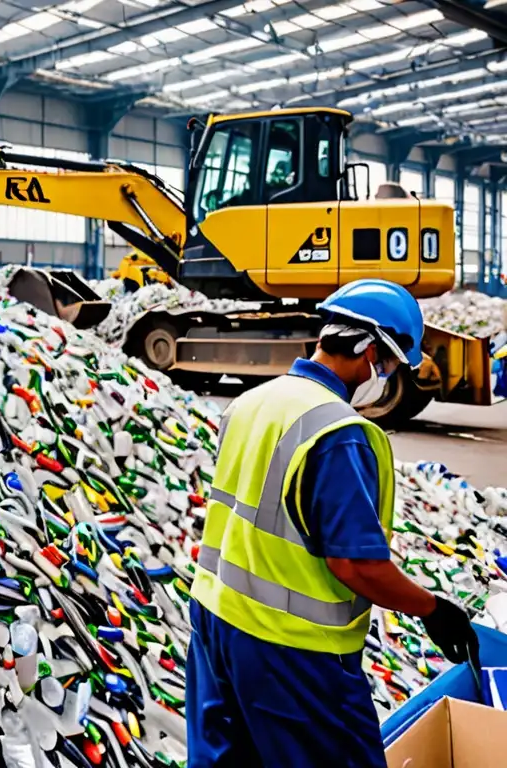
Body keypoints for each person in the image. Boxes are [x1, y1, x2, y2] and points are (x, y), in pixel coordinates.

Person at [186, 278, 480, 768]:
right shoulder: (337, 432)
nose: (382, 376)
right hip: (291, 649)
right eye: (384, 364)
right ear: (366, 349)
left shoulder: (252, 403)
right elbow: (355, 565)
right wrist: (432, 609)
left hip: (215, 621)